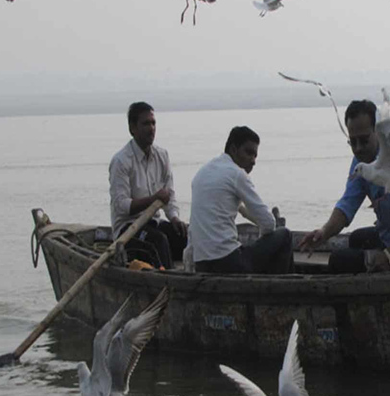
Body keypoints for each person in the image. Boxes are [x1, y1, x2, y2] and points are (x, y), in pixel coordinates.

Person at [299, 99, 390, 273]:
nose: (358, 148)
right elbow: (347, 204)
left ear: (377, 132)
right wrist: (323, 233)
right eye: (353, 142)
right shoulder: (360, 163)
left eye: (364, 140)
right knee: (356, 239)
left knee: (339, 260)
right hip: (388, 236)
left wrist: (388, 255)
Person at [189, 126, 293, 274]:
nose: (253, 161)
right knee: (285, 235)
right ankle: (280, 289)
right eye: (249, 153)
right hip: (229, 263)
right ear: (233, 149)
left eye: (255, 155)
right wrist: (263, 239)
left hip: (201, 264)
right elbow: (269, 223)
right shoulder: (236, 174)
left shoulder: (202, 172)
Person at [109, 102, 187, 269]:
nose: (151, 128)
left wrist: (173, 217)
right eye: (145, 124)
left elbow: (169, 194)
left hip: (153, 223)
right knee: (158, 242)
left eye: (153, 123)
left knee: (187, 235)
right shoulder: (121, 161)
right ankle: (169, 282)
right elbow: (122, 206)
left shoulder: (162, 155)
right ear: (132, 129)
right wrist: (154, 199)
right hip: (127, 230)